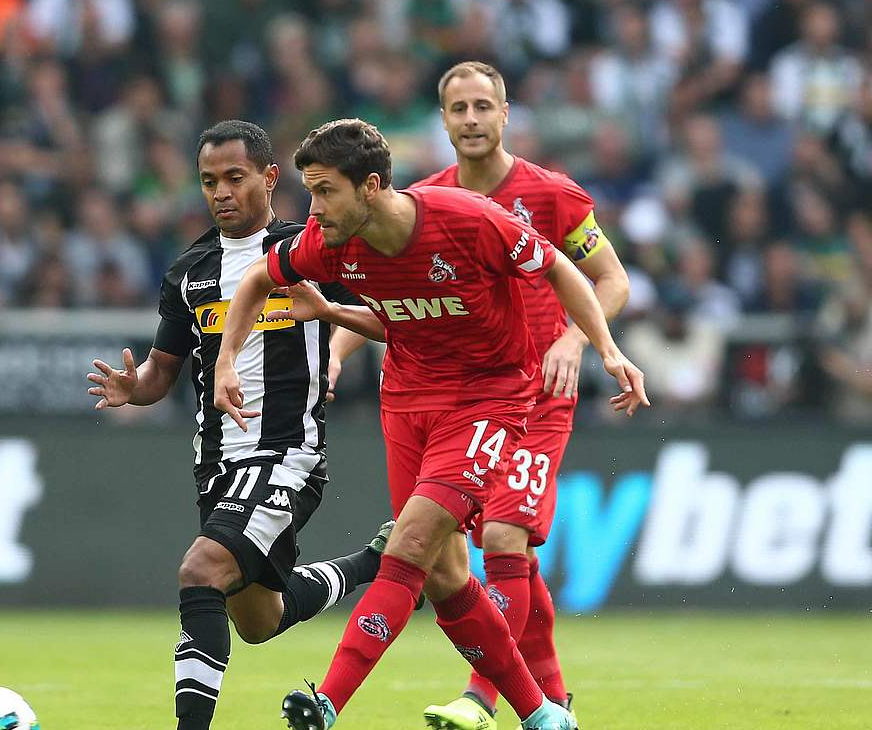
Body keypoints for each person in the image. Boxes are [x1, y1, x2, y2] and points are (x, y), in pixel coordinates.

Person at [212, 119, 648, 730]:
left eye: (325, 191)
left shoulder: (468, 219)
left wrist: (602, 347)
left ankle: (327, 702)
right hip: (408, 403)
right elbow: (261, 278)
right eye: (309, 192)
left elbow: (560, 269)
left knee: (410, 542)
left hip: (489, 400)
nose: (314, 209)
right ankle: (543, 715)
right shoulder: (326, 241)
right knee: (444, 575)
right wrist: (229, 358)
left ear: (370, 187)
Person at [329, 60, 632, 728]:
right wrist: (337, 345)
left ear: (505, 114)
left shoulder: (552, 196)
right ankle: (552, 705)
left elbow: (611, 280)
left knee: (503, 534)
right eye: (458, 108)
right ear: (442, 119)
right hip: (457, 400)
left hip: (539, 394)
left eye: (482, 107)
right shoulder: (422, 201)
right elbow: (384, 299)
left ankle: (480, 699)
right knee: (503, 559)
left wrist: (577, 342)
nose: (470, 119)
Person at [86, 120, 391, 730]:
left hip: (287, 451)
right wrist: (133, 389)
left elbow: (391, 319)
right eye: (208, 182)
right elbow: (161, 374)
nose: (220, 192)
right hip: (218, 464)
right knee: (258, 619)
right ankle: (371, 564)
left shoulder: (312, 249)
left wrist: (330, 320)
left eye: (234, 177)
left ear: (270, 177)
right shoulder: (189, 271)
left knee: (201, 570)